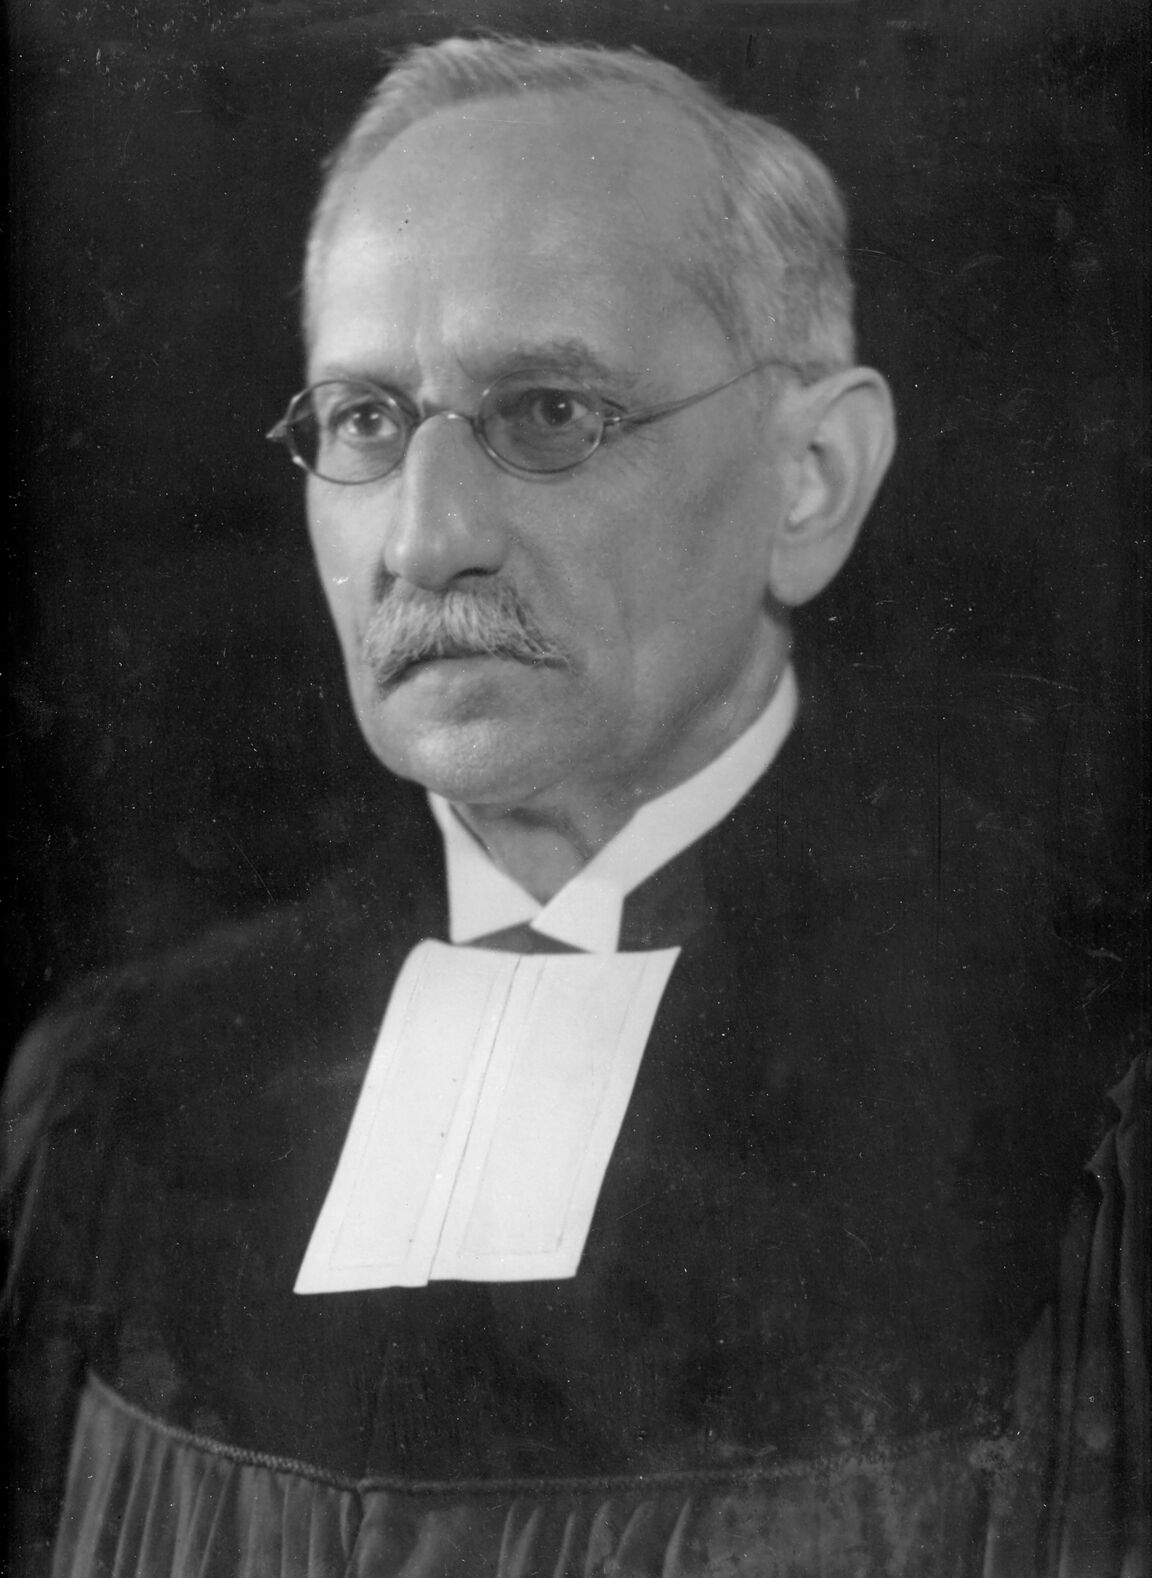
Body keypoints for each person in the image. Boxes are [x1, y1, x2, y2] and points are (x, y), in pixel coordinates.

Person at [5, 35, 1146, 1578]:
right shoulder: (115, 1098)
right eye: (364, 420)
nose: (424, 540)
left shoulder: (1086, 1091)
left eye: (548, 413)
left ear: (812, 477)